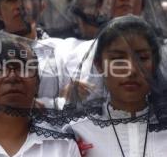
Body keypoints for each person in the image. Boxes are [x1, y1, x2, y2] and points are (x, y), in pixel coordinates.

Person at [66, 15, 167, 156]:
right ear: (99, 65)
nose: (131, 70)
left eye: (142, 58)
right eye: (118, 59)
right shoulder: (77, 132)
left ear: (155, 64)